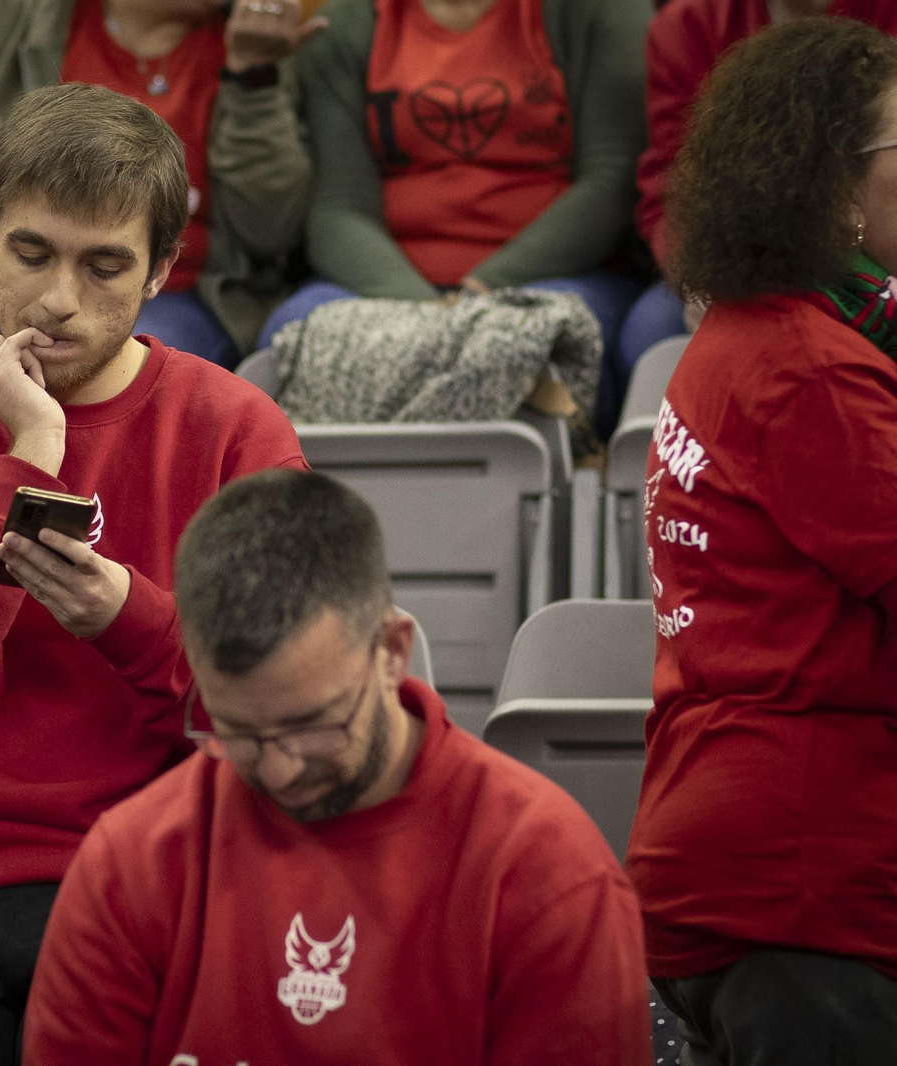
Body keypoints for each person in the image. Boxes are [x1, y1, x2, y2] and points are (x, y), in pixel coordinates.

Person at [0, 83, 307, 1066]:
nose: (59, 299)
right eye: (32, 253)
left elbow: (289, 703)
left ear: (163, 267)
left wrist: (128, 617)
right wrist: (30, 454)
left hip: (157, 879)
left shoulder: (237, 430)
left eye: (105, 265)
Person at [21, 469, 650, 1065]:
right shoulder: (132, 863)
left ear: (393, 651)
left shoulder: (546, 873)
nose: (280, 771)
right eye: (236, 732)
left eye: (312, 725)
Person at [626, 18, 897, 1064]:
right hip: (800, 891)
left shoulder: (748, 336)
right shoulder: (809, 376)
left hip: (743, 865)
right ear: (833, 187)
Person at [0, 0, 321, 389]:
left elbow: (269, 230)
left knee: (133, 364)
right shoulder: (19, 14)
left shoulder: (266, 43)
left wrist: (255, 76)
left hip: (163, 300)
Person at [268, 0, 650, 434]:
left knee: (539, 339)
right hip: (387, 285)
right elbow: (338, 205)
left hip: (551, 274)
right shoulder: (346, 24)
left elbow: (613, 178)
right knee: (290, 335)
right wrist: (428, 312)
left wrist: (479, 293)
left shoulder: (596, 12)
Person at [623, 0, 897, 368]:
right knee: (651, 328)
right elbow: (669, 183)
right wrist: (705, 278)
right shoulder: (688, 23)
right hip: (742, 256)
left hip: (870, 247)